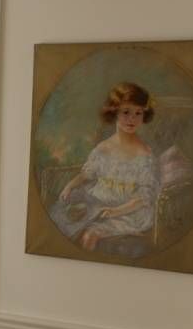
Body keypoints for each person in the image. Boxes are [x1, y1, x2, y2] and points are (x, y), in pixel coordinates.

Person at [54, 82, 158, 252]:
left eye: (138, 113)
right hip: (98, 202)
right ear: (114, 112)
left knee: (89, 235)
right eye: (126, 112)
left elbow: (144, 196)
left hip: (128, 211)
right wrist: (70, 185)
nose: (132, 119)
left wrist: (115, 211)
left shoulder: (144, 154)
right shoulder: (103, 148)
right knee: (63, 220)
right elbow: (87, 174)